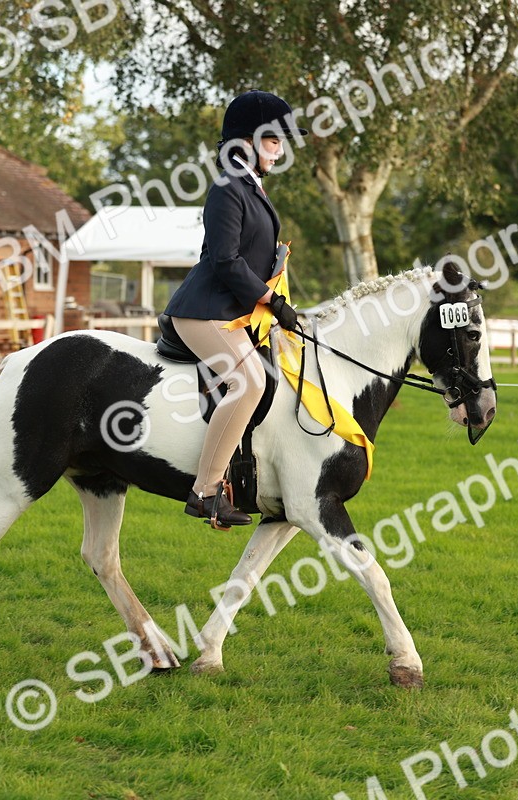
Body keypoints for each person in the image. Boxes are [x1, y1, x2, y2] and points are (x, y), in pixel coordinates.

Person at [163, 90, 307, 529]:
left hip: (234, 312)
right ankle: (205, 492)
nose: (280, 151)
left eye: (282, 143)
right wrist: (270, 299)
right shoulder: (228, 187)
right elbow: (225, 260)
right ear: (245, 141)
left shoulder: (250, 187)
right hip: (204, 310)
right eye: (272, 141)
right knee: (249, 382)